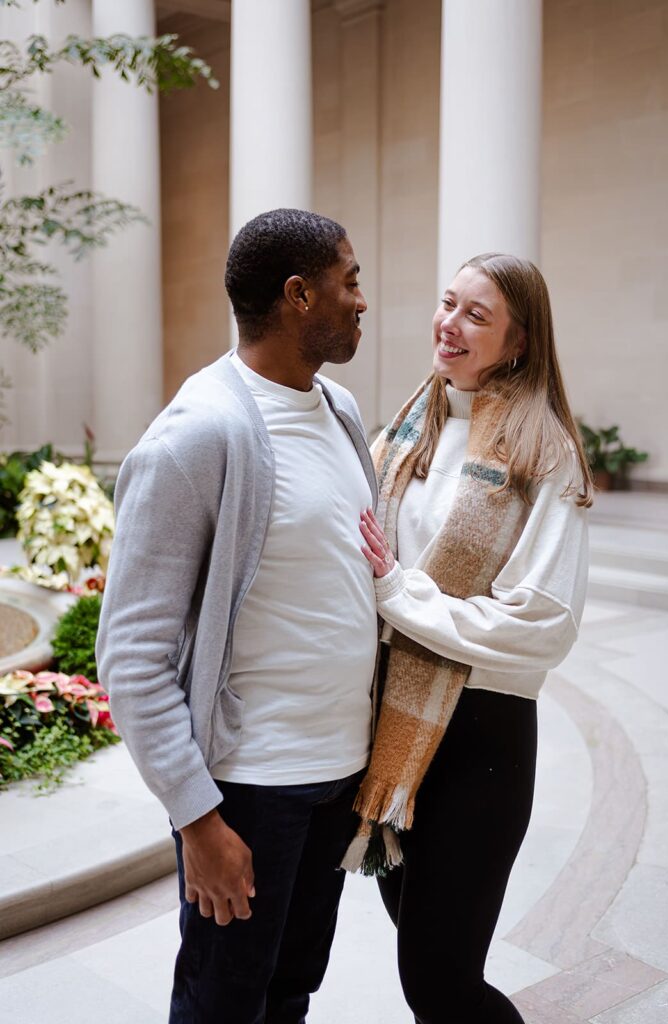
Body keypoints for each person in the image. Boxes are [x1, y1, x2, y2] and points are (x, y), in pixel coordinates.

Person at [96, 208, 378, 1024]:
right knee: (223, 1005)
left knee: (292, 992)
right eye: (348, 281)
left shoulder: (340, 411)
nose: (362, 300)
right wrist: (197, 819)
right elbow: (131, 653)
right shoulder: (197, 437)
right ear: (298, 296)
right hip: (250, 794)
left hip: (336, 780)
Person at [343, 253, 591, 1024]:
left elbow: (538, 626)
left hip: (480, 738)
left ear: (518, 342)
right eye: (447, 303)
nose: (448, 324)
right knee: (418, 948)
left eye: (476, 315)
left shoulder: (541, 451)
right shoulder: (408, 430)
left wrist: (397, 593)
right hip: (395, 733)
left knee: (439, 980)